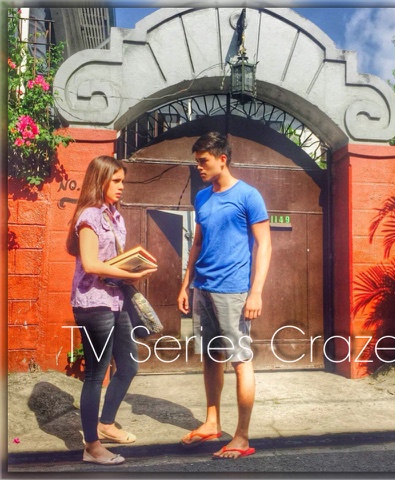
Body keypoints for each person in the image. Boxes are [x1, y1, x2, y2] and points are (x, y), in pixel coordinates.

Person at [177, 132, 272, 459]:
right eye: (196, 161)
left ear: (222, 159)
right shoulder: (202, 197)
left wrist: (256, 291)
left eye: (203, 161)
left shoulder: (248, 196)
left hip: (234, 291)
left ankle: (242, 437)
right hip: (203, 288)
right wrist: (186, 285)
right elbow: (197, 244)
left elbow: (264, 245)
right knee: (210, 357)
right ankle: (212, 422)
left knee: (240, 360)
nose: (199, 167)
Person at [66, 155, 157, 465]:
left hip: (116, 300)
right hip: (93, 303)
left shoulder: (115, 216)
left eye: (123, 181)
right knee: (96, 375)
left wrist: (130, 268)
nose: (121, 187)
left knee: (128, 366)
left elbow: (110, 261)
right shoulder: (89, 216)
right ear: (100, 180)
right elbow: (92, 264)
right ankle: (91, 447)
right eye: (116, 181)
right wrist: (129, 274)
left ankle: (106, 424)